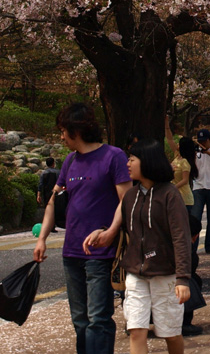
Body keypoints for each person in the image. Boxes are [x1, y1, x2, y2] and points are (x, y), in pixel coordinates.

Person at [33, 103, 131, 354]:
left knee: (98, 319)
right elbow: (54, 202)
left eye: (63, 130)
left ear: (76, 129)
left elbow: (126, 200)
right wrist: (42, 238)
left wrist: (110, 232)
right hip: (72, 252)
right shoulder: (69, 161)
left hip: (100, 253)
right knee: (80, 320)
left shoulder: (113, 156)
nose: (61, 136)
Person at [83, 139, 191, 354]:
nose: (128, 164)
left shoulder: (170, 194)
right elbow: (126, 230)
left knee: (170, 332)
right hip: (135, 273)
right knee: (136, 329)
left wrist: (183, 278)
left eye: (132, 159)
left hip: (165, 274)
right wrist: (102, 232)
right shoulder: (130, 196)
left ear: (148, 162)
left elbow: (181, 237)